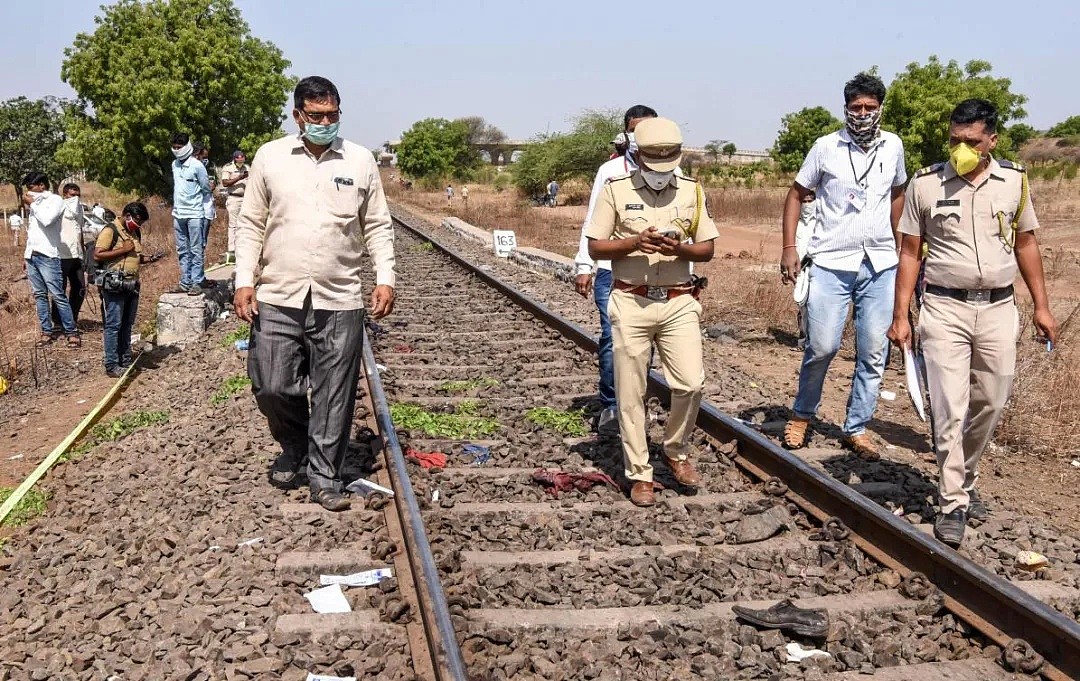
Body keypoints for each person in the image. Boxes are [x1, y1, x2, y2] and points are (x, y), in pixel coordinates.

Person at [888, 99, 1058, 547]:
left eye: (972, 141)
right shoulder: (925, 184)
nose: (962, 148)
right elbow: (909, 252)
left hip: (1000, 308)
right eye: (955, 140)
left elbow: (1026, 244)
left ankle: (964, 474)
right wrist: (900, 314)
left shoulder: (1014, 181)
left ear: (992, 141)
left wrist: (1041, 307)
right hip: (944, 308)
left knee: (992, 400)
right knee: (949, 408)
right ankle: (952, 501)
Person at [234, 76, 397, 512]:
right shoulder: (271, 157)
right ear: (298, 116)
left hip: (340, 295)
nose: (325, 122)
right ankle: (296, 443)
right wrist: (243, 280)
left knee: (335, 391)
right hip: (278, 293)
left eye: (332, 115)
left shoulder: (360, 161)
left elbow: (377, 224)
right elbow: (250, 223)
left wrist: (386, 277)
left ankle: (325, 475)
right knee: (272, 384)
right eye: (316, 115)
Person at [585, 117, 719, 507]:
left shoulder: (693, 191)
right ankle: (639, 473)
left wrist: (679, 250)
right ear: (637, 155)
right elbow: (595, 247)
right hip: (631, 299)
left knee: (691, 383)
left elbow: (707, 249)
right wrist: (633, 242)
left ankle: (675, 450)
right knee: (630, 393)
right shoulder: (615, 190)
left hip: (678, 300)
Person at [779, 73, 907, 460]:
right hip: (832, 260)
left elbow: (898, 193)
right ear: (846, 108)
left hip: (881, 262)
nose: (863, 114)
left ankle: (857, 426)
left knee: (874, 350)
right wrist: (790, 247)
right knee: (822, 345)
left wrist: (902, 249)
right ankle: (803, 413)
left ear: (880, 108)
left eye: (870, 107)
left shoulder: (894, 146)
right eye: (856, 108)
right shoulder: (826, 147)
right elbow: (796, 194)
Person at [574, 104, 659, 433]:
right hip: (611, 268)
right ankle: (611, 406)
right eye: (636, 131)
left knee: (644, 340)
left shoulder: (673, 172)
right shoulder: (609, 172)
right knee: (613, 337)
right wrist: (585, 264)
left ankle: (635, 402)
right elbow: (592, 222)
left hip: (655, 271)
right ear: (626, 134)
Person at [22, 172, 79, 347]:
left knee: (57, 295)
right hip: (32, 254)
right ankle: (46, 331)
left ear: (41, 186)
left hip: (48, 255)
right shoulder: (36, 202)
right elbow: (33, 232)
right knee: (39, 295)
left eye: (31, 187)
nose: (29, 192)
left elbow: (47, 220)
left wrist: (33, 205)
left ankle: (71, 331)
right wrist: (26, 254)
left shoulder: (55, 201)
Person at [95, 202, 151, 377]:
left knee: (127, 325)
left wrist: (145, 259)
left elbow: (133, 255)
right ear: (127, 215)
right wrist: (122, 249)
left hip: (132, 284)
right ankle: (112, 365)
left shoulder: (135, 232)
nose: (138, 225)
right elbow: (98, 254)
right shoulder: (110, 230)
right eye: (137, 220)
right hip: (115, 285)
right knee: (114, 325)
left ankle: (125, 360)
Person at [170, 132, 212, 295]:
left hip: (195, 213)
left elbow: (205, 187)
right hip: (178, 213)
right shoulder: (175, 165)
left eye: (179, 147)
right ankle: (185, 281)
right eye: (174, 147)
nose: (176, 150)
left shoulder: (197, 166)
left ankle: (197, 282)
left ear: (187, 147)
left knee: (196, 249)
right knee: (182, 249)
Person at [51, 183, 87, 328]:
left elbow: (79, 230)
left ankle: (72, 318)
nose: (76, 198)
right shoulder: (59, 207)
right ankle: (58, 322)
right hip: (61, 254)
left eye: (78, 195)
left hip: (76, 254)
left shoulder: (80, 208)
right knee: (59, 291)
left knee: (80, 288)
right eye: (73, 195)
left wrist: (83, 251)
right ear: (65, 195)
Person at [793, 190, 819, 350]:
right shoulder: (796, 224)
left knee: (815, 305)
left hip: (816, 268)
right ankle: (803, 339)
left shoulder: (821, 222)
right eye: (805, 201)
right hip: (800, 270)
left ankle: (814, 341)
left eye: (811, 201)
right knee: (802, 305)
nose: (808, 205)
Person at [219, 149, 249, 265]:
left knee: (245, 224)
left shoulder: (247, 168)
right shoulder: (228, 168)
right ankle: (232, 250)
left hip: (245, 198)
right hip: (234, 198)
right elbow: (225, 183)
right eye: (238, 159)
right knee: (233, 225)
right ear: (235, 159)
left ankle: (244, 248)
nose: (241, 161)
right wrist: (239, 178)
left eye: (242, 159)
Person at [193, 141, 217, 249]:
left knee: (203, 239)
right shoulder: (189, 168)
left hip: (207, 205)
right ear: (197, 154)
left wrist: (212, 186)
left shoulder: (209, 167)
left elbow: (213, 181)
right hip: (195, 207)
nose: (205, 159)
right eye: (204, 157)